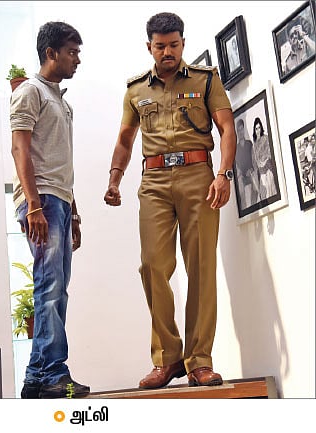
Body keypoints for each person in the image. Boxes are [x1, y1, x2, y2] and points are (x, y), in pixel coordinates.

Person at [104, 12, 236, 389]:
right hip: (154, 180)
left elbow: (227, 127)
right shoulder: (135, 90)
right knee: (152, 266)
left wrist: (223, 174)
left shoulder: (205, 80)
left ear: (182, 43)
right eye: (161, 46)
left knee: (201, 268)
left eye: (174, 45)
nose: (168, 52)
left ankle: (199, 360)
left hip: (199, 176)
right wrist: (114, 179)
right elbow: (125, 139)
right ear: (149, 46)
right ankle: (167, 358)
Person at [10, 21, 90, 399]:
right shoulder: (30, 91)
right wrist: (33, 206)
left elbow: (62, 162)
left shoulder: (63, 102)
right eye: (72, 53)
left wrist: (74, 212)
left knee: (57, 289)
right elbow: (19, 149)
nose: (77, 60)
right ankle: (52, 373)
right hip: (40, 200)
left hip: (59, 201)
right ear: (50, 53)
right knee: (50, 286)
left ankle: (36, 378)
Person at [235, 118, 259, 208]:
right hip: (242, 176)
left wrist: (252, 169)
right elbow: (237, 166)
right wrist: (241, 174)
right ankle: (245, 209)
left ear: (244, 129)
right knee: (240, 185)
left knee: (255, 181)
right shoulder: (236, 149)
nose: (240, 132)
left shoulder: (249, 144)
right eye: (238, 130)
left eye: (241, 129)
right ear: (237, 132)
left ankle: (253, 206)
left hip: (250, 172)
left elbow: (253, 159)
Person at [252, 117, 277, 200]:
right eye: (256, 129)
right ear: (254, 130)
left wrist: (265, 161)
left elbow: (269, 153)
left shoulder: (266, 138)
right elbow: (255, 160)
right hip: (261, 171)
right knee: (265, 192)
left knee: (271, 188)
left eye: (259, 128)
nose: (258, 130)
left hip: (268, 167)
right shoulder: (254, 145)